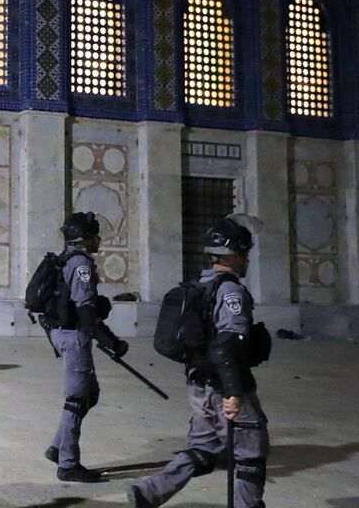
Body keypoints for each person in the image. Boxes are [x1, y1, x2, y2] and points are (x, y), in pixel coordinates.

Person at [129, 216, 269, 508]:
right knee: (250, 452)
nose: (246, 260)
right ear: (235, 254)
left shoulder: (200, 285)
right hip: (223, 387)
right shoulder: (230, 291)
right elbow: (226, 345)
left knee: (204, 448)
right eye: (245, 253)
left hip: (198, 386)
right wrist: (234, 393)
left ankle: (150, 492)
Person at [44, 212, 127, 482]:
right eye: (95, 234)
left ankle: (58, 447)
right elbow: (85, 312)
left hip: (62, 332)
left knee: (90, 394)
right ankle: (68, 464)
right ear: (84, 238)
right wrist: (112, 342)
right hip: (73, 335)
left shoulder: (65, 258)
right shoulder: (80, 263)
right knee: (77, 399)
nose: (99, 239)